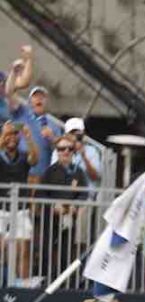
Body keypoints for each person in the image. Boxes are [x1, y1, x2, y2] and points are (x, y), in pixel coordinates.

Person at [37, 134, 88, 278]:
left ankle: (65, 281)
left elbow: (84, 193)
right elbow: (40, 193)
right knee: (47, 250)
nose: (66, 151)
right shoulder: (49, 171)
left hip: (69, 219)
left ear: (73, 151)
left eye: (69, 149)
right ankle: (46, 279)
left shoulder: (78, 171)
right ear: (57, 151)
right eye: (61, 148)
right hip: (50, 219)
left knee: (66, 251)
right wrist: (53, 205)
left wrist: (75, 206)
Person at [0, 120, 38, 282]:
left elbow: (34, 159)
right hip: (1, 209)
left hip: (21, 210)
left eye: (15, 134)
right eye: (9, 134)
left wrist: (28, 137)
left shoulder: (23, 156)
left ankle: (23, 286)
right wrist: (4, 135)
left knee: (24, 248)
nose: (12, 137)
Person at [9, 83, 63, 183]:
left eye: (42, 97)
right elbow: (10, 95)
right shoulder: (22, 115)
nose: (39, 99)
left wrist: (52, 138)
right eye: (35, 96)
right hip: (20, 172)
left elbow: (63, 149)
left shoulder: (54, 124)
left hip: (41, 174)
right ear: (30, 101)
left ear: (47, 101)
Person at [53, 118, 101, 193]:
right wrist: (67, 153)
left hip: (86, 195)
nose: (75, 136)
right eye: (72, 133)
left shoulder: (92, 151)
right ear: (66, 135)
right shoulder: (59, 150)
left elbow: (95, 177)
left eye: (78, 134)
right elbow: (54, 175)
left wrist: (84, 156)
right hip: (63, 194)